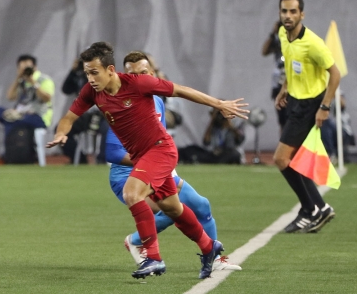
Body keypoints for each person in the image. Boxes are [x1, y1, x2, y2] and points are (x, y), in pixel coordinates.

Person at [47, 42, 248, 279]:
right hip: (144, 157)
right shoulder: (92, 92)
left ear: (110, 70)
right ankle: (208, 247)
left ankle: (152, 257)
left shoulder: (138, 83)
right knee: (173, 209)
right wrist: (61, 132)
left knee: (132, 194)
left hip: (161, 150)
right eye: (87, 73)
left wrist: (219, 104)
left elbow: (181, 90)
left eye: (94, 72)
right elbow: (69, 117)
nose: (90, 78)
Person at [109, 51, 241, 271]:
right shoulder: (122, 105)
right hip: (128, 175)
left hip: (157, 167)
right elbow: (112, 153)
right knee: (175, 210)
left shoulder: (157, 101)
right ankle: (136, 242)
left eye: (144, 73)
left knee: (201, 205)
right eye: (133, 75)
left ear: (152, 73)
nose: (140, 79)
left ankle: (215, 258)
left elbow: (181, 93)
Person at [274, 0, 340, 233]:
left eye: (293, 12)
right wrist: (284, 88)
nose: (288, 16)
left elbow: (335, 73)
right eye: (284, 11)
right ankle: (311, 209)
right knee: (297, 160)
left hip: (310, 105)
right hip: (294, 101)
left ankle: (316, 208)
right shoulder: (283, 34)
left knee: (281, 159)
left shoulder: (313, 42)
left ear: (302, 14)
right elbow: (291, 64)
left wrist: (325, 107)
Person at [0, 54, 54, 159]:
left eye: (27, 68)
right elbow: (10, 96)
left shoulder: (44, 80)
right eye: (22, 68)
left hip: (39, 116)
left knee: (10, 120)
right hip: (20, 115)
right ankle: (12, 154)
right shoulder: (21, 81)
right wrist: (18, 78)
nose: (25, 70)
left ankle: (8, 155)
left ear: (35, 67)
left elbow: (46, 98)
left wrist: (33, 82)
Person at [61, 58, 108, 164]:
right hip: (85, 115)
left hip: (102, 115)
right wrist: (73, 71)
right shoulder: (79, 76)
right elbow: (66, 89)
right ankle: (79, 159)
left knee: (107, 129)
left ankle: (102, 160)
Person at [262, 20, 287, 135]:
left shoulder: (295, 40)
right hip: (279, 83)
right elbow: (264, 51)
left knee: (294, 118)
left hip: (293, 82)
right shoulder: (277, 42)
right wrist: (273, 33)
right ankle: (284, 145)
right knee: (282, 120)